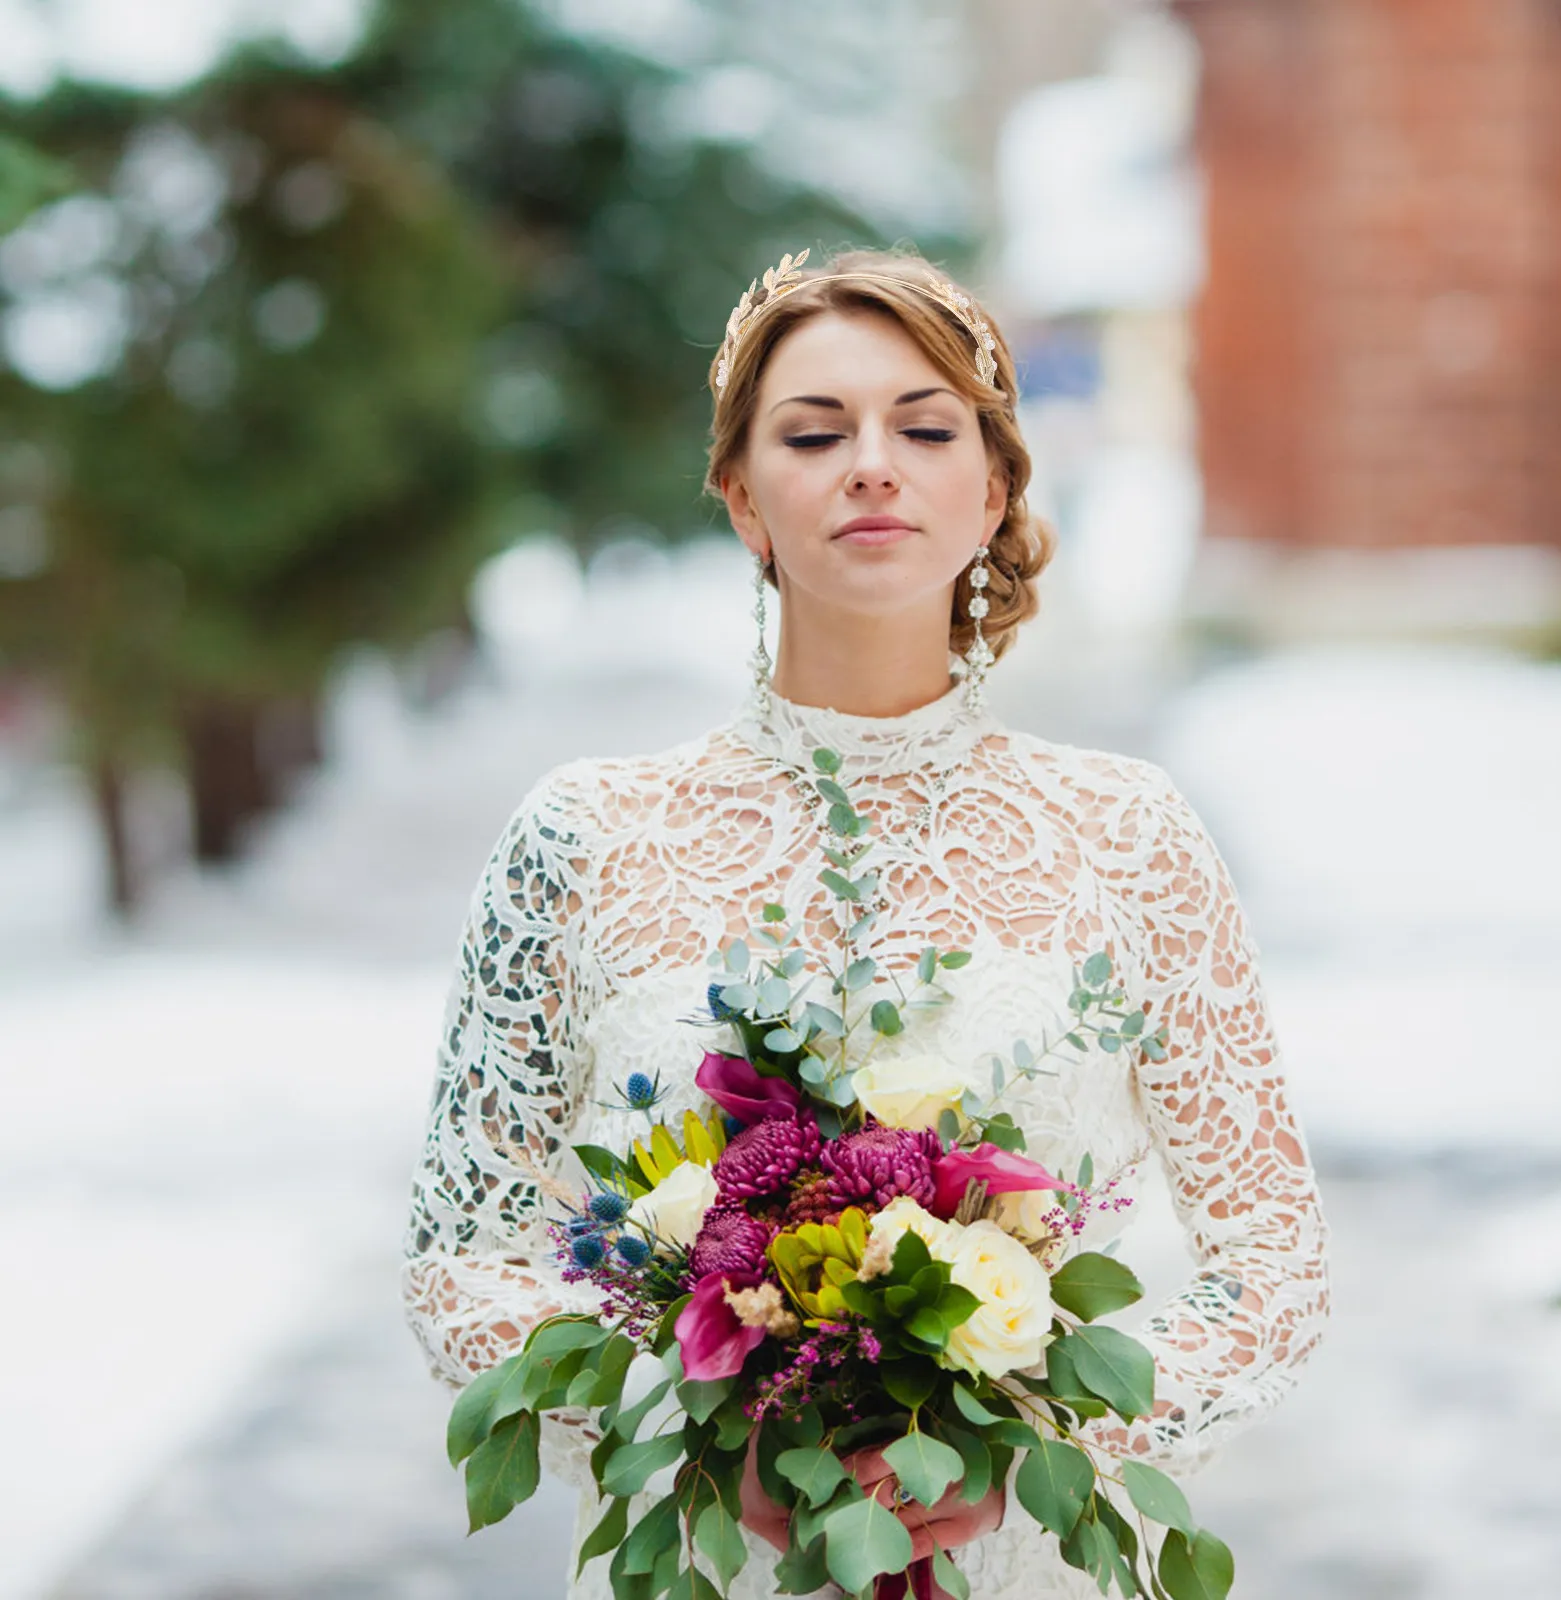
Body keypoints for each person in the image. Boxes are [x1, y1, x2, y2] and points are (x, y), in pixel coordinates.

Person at [401, 246, 1332, 1598]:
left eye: (925, 426)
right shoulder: (585, 835)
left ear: (995, 484)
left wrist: (1024, 1448)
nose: (872, 465)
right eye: (815, 431)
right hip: (713, 1557)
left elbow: (1273, 1269)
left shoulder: (1131, 834)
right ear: (741, 497)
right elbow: (462, 1257)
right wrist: (698, 1435)